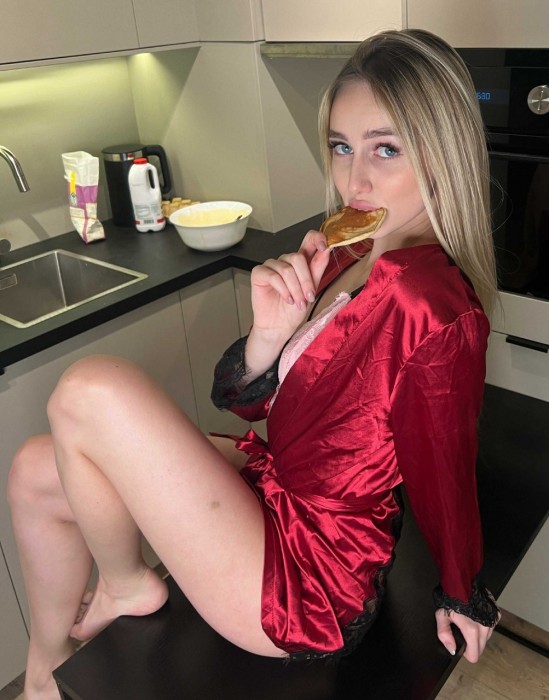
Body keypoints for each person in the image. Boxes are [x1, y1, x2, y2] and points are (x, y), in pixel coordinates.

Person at [8, 28, 500, 699]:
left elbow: (446, 463)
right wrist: (268, 337)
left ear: (443, 154)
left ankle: (125, 584)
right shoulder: (350, 251)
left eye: (385, 149)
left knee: (90, 392)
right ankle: (43, 674)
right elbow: (254, 404)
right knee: (35, 471)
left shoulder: (432, 305)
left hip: (313, 572)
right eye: (341, 146)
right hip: (272, 489)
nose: (354, 179)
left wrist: (461, 591)